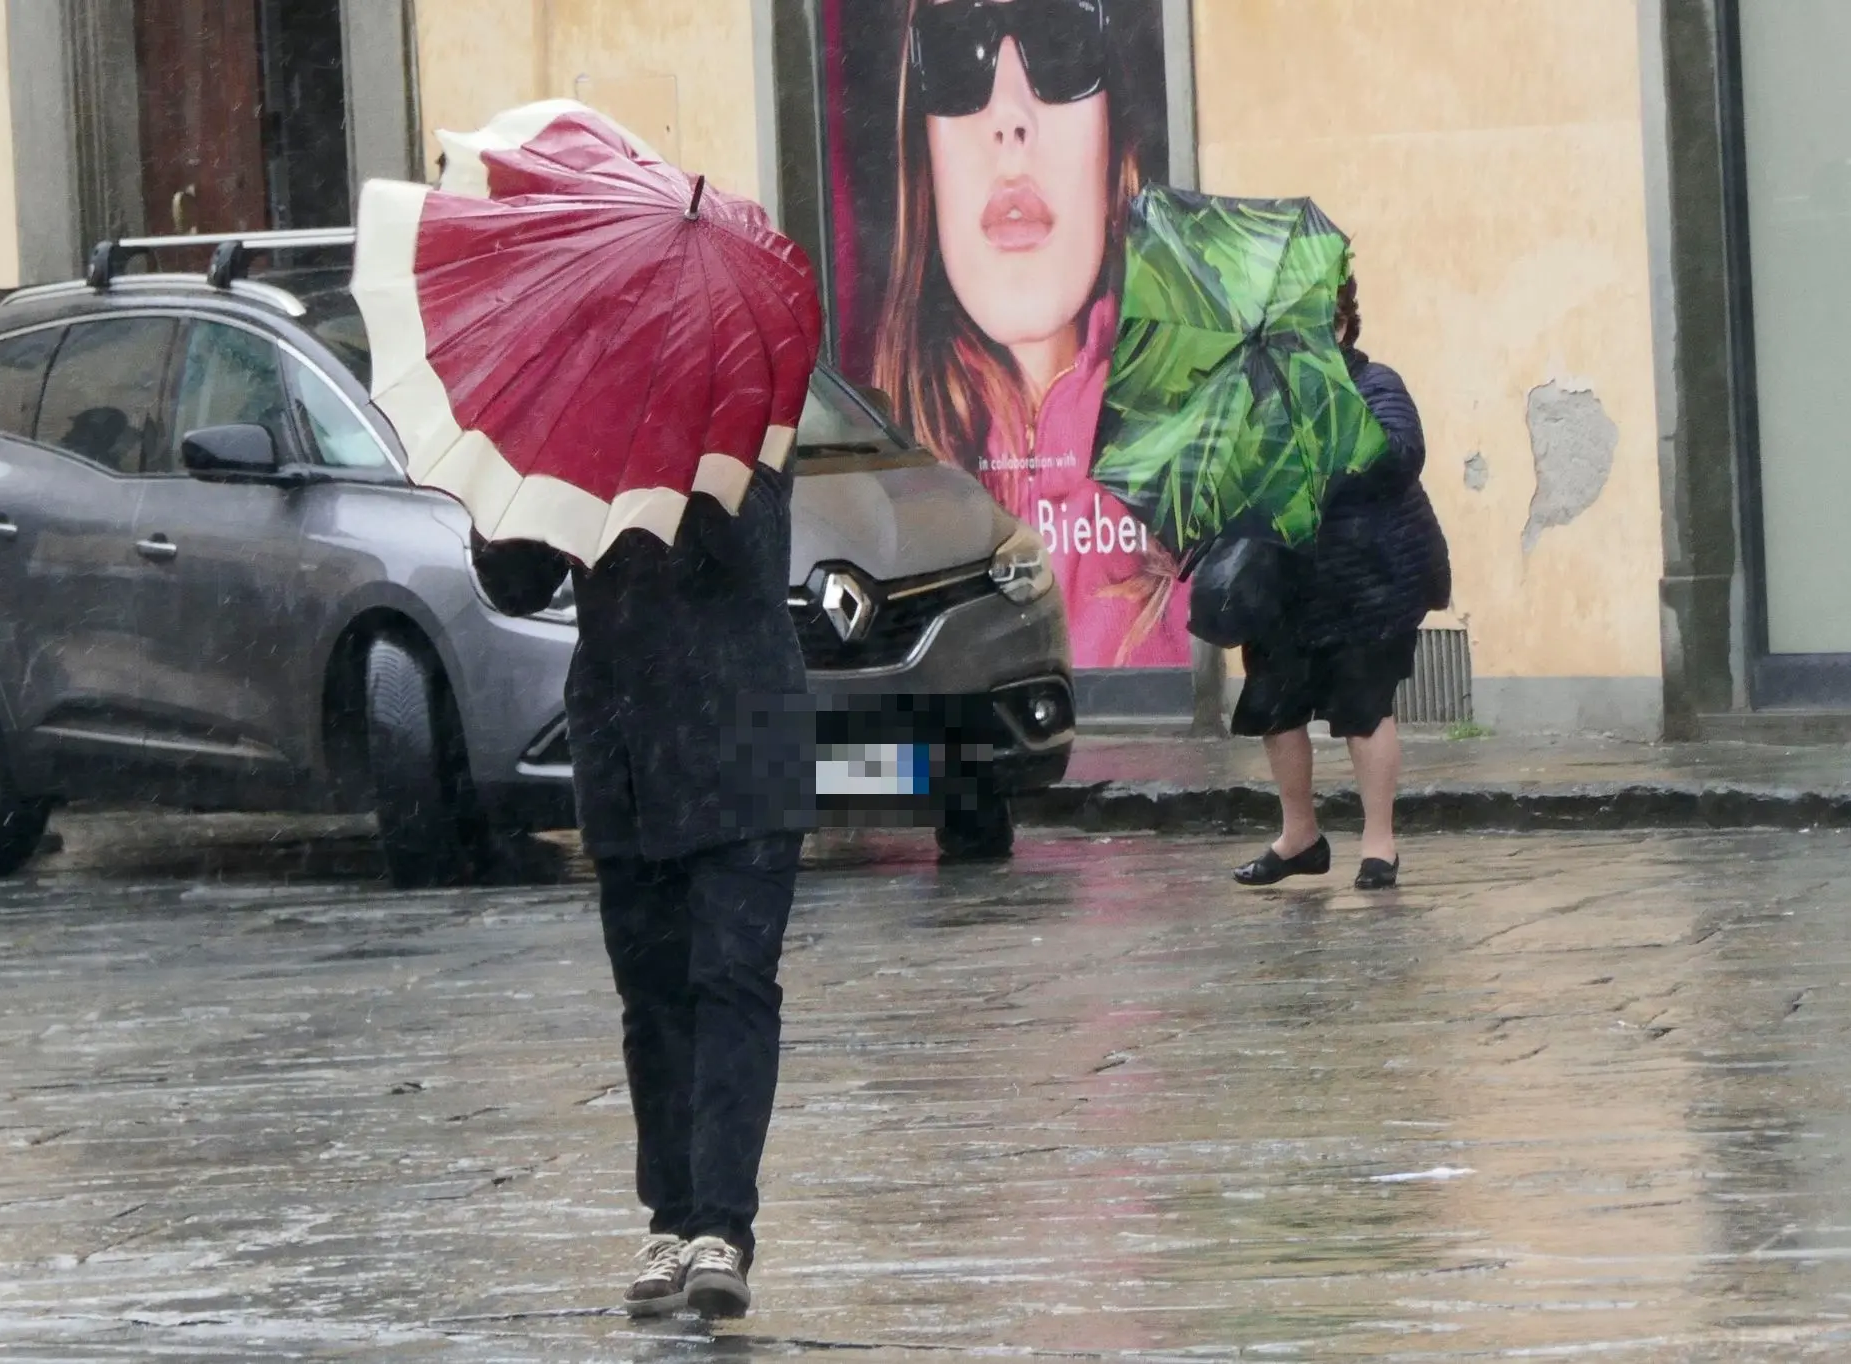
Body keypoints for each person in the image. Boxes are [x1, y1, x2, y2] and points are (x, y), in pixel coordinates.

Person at [472, 457, 811, 1320]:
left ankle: (722, 1229)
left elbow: (749, 549)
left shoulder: (744, 410)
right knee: (652, 996)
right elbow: (516, 583)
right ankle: (671, 1222)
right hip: (626, 755)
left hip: (741, 749)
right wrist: (504, 497)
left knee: (731, 980)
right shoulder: (587, 428)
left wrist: (678, 463)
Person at [873, 0, 1190, 668]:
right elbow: (867, 769)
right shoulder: (873, 472)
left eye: (1061, 43)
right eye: (960, 53)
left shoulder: (1199, 456)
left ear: (1118, 138)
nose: (1010, 119)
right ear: (921, 149)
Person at [1231, 275, 1451, 891]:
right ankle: (1300, 836)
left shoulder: (1375, 384)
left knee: (1362, 707)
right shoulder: (1268, 395)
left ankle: (1379, 844)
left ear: (1342, 326)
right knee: (1274, 704)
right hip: (1289, 578)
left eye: (1312, 325)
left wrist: (1332, 414)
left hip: (1371, 580)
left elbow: (1402, 455)